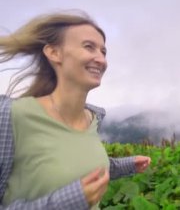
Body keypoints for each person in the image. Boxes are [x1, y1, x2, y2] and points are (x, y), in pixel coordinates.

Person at [0, 11, 151, 209]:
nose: (101, 59)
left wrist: (127, 164)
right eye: (89, 47)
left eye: (103, 52)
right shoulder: (11, 115)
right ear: (54, 53)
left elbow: (76, 164)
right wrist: (69, 201)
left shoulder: (93, 118)